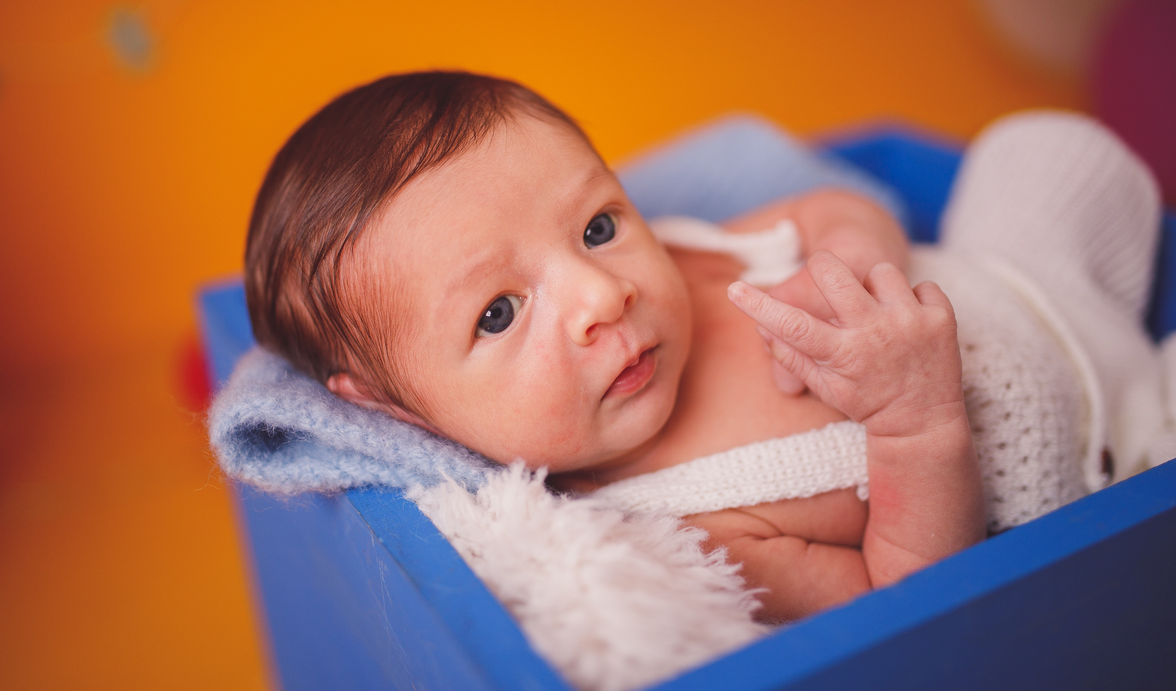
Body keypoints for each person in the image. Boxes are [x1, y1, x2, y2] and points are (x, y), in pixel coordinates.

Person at [245, 71, 1164, 622]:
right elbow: (911, 597)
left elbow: (827, 207)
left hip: (1006, 276)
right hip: (1105, 448)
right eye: (497, 314)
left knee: (1042, 145)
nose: (605, 294)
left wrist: (855, 262)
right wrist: (916, 424)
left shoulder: (687, 258)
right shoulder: (671, 524)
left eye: (598, 226)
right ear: (397, 409)